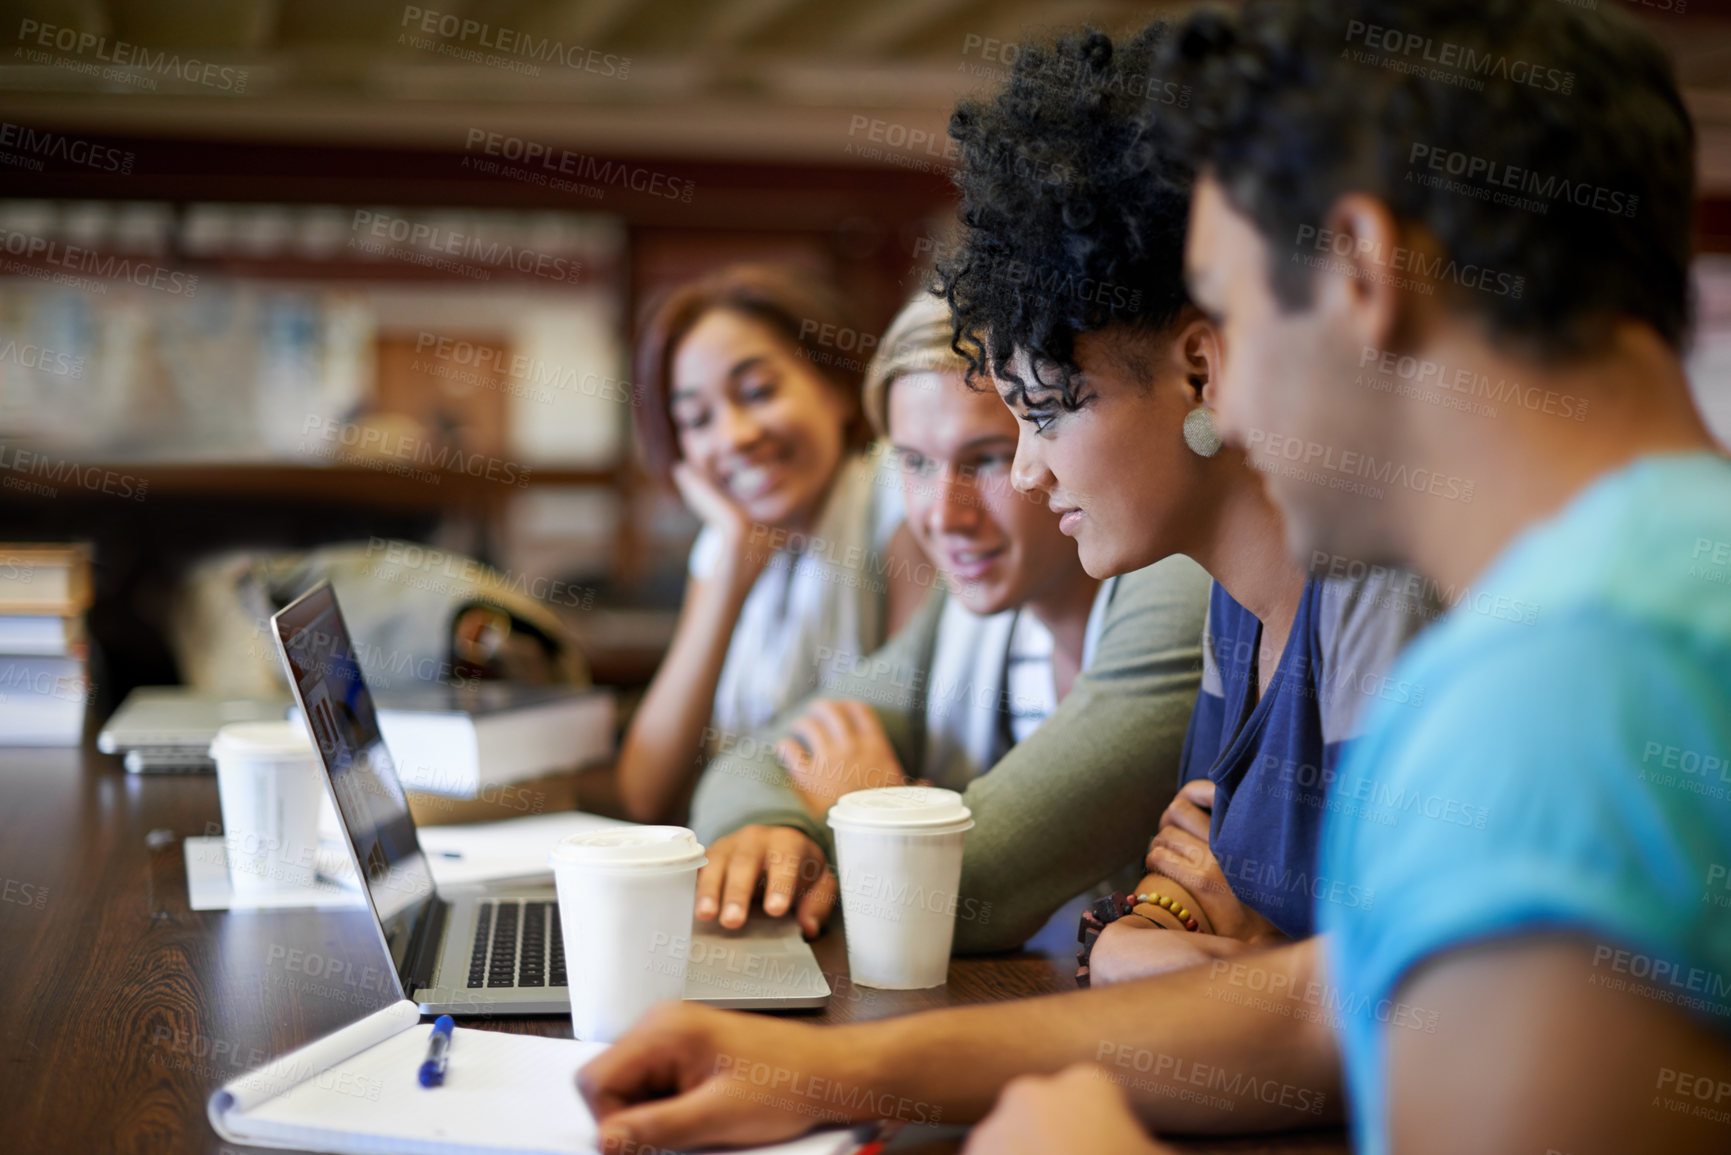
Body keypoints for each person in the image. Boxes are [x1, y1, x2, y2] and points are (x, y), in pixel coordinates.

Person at [577, 5, 1731, 1154]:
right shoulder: (1643, 600)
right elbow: (1327, 1010)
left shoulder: (1566, 684)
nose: (1220, 393)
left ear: (1368, 275)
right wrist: (837, 1068)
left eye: (1227, 312)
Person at [685, 30, 1426, 967]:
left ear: (1200, 369)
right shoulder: (1232, 608)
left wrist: (1230, 957)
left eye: (1040, 415)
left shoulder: (1344, 583)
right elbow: (1160, 918)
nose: (1030, 475)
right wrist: (1173, 943)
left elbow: (1399, 991)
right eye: (909, 460)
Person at [687, 290, 1211, 948]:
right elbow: (751, 763)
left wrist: (866, 803)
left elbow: (966, 889)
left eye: (985, 457)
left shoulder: (1180, 579)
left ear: (1047, 435)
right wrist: (772, 829)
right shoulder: (968, 612)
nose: (942, 513)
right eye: (914, 461)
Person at [615, 265, 927, 822]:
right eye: (697, 419)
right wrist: (730, 568)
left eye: (757, 392)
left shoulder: (901, 504)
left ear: (838, 388)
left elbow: (908, 741)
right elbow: (644, 792)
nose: (734, 436)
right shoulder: (723, 544)